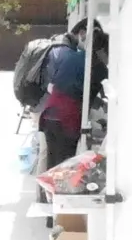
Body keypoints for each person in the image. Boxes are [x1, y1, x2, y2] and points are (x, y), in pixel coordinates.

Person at [37, 28, 109, 168]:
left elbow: (65, 86)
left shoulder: (72, 57)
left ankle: (47, 182)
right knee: (64, 167)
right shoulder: (99, 67)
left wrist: (99, 104)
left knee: (52, 166)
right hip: (67, 119)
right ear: (102, 50)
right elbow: (106, 95)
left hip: (49, 114)